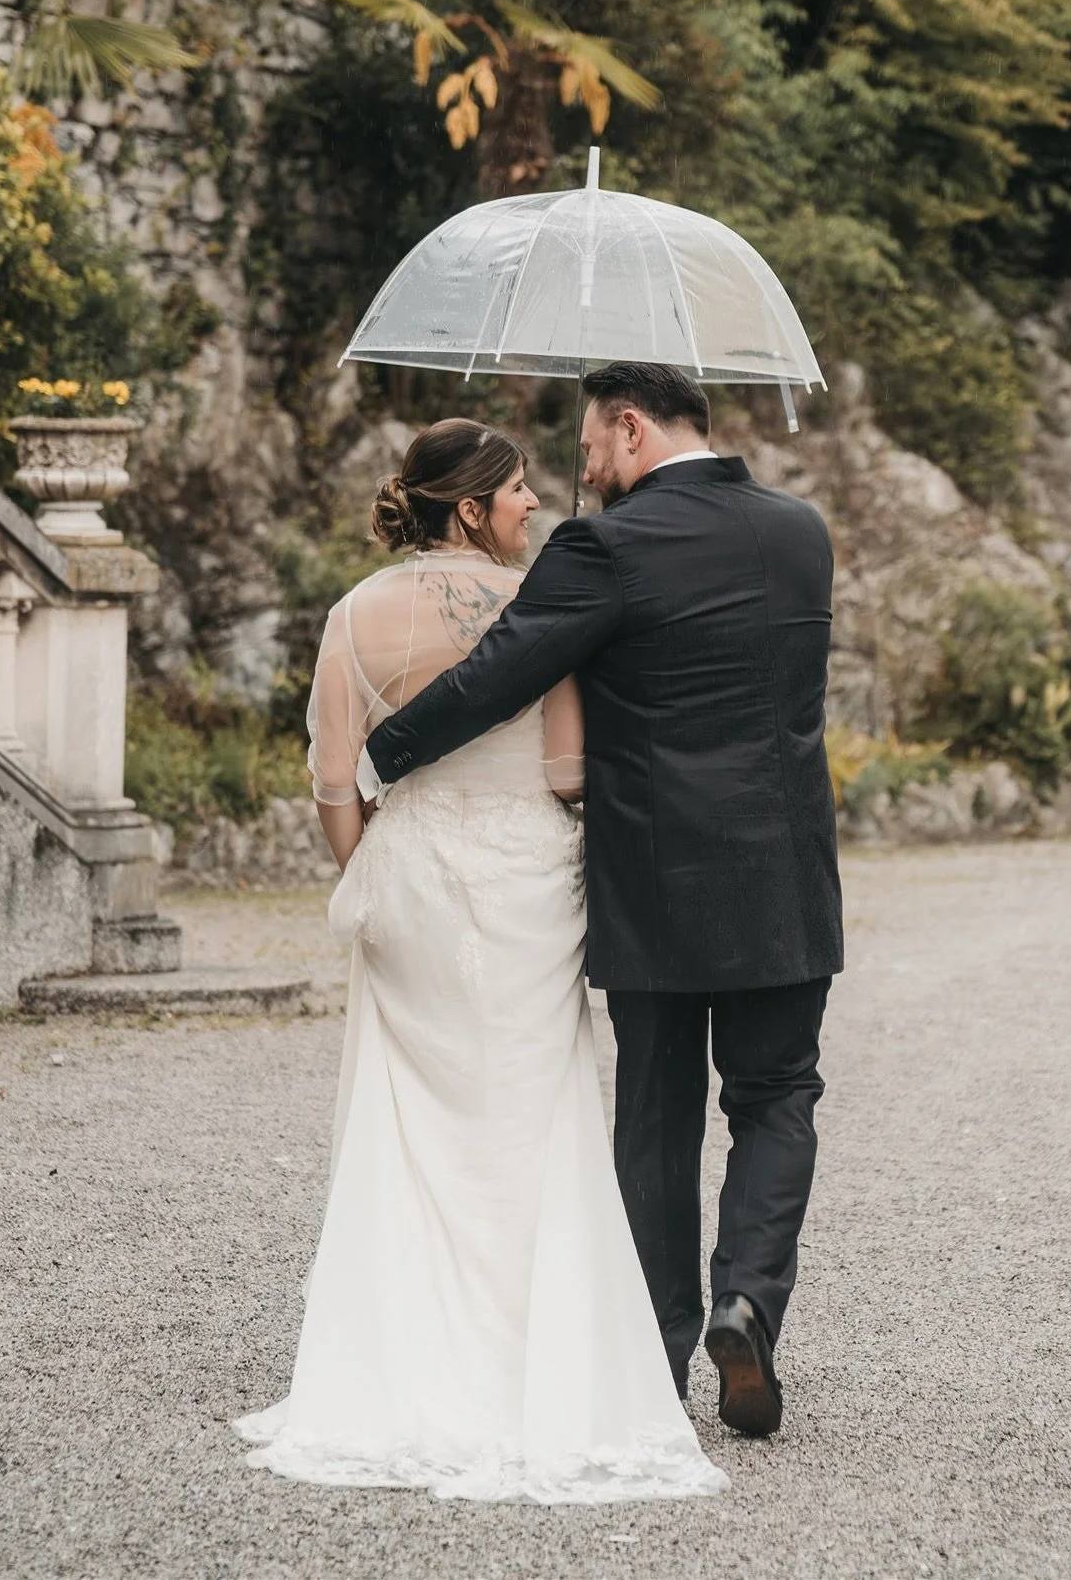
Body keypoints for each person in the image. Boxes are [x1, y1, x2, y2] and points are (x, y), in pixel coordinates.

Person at [234, 418, 725, 1503]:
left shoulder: (356, 611)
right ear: (470, 508)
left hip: (408, 874)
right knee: (532, 1117)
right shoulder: (542, 609)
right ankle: (538, 1362)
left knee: (406, 1125)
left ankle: (397, 1368)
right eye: (516, 493)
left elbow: (333, 783)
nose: (534, 506)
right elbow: (563, 774)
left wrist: (377, 869)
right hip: (525, 889)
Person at [359, 364, 843, 1438]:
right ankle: (748, 1301)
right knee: (776, 1096)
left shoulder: (601, 547)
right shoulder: (799, 532)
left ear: (630, 429)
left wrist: (381, 753)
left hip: (654, 875)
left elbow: (503, 670)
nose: (580, 472)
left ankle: (657, 1348)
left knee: (656, 1116)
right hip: (782, 873)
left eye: (585, 449)